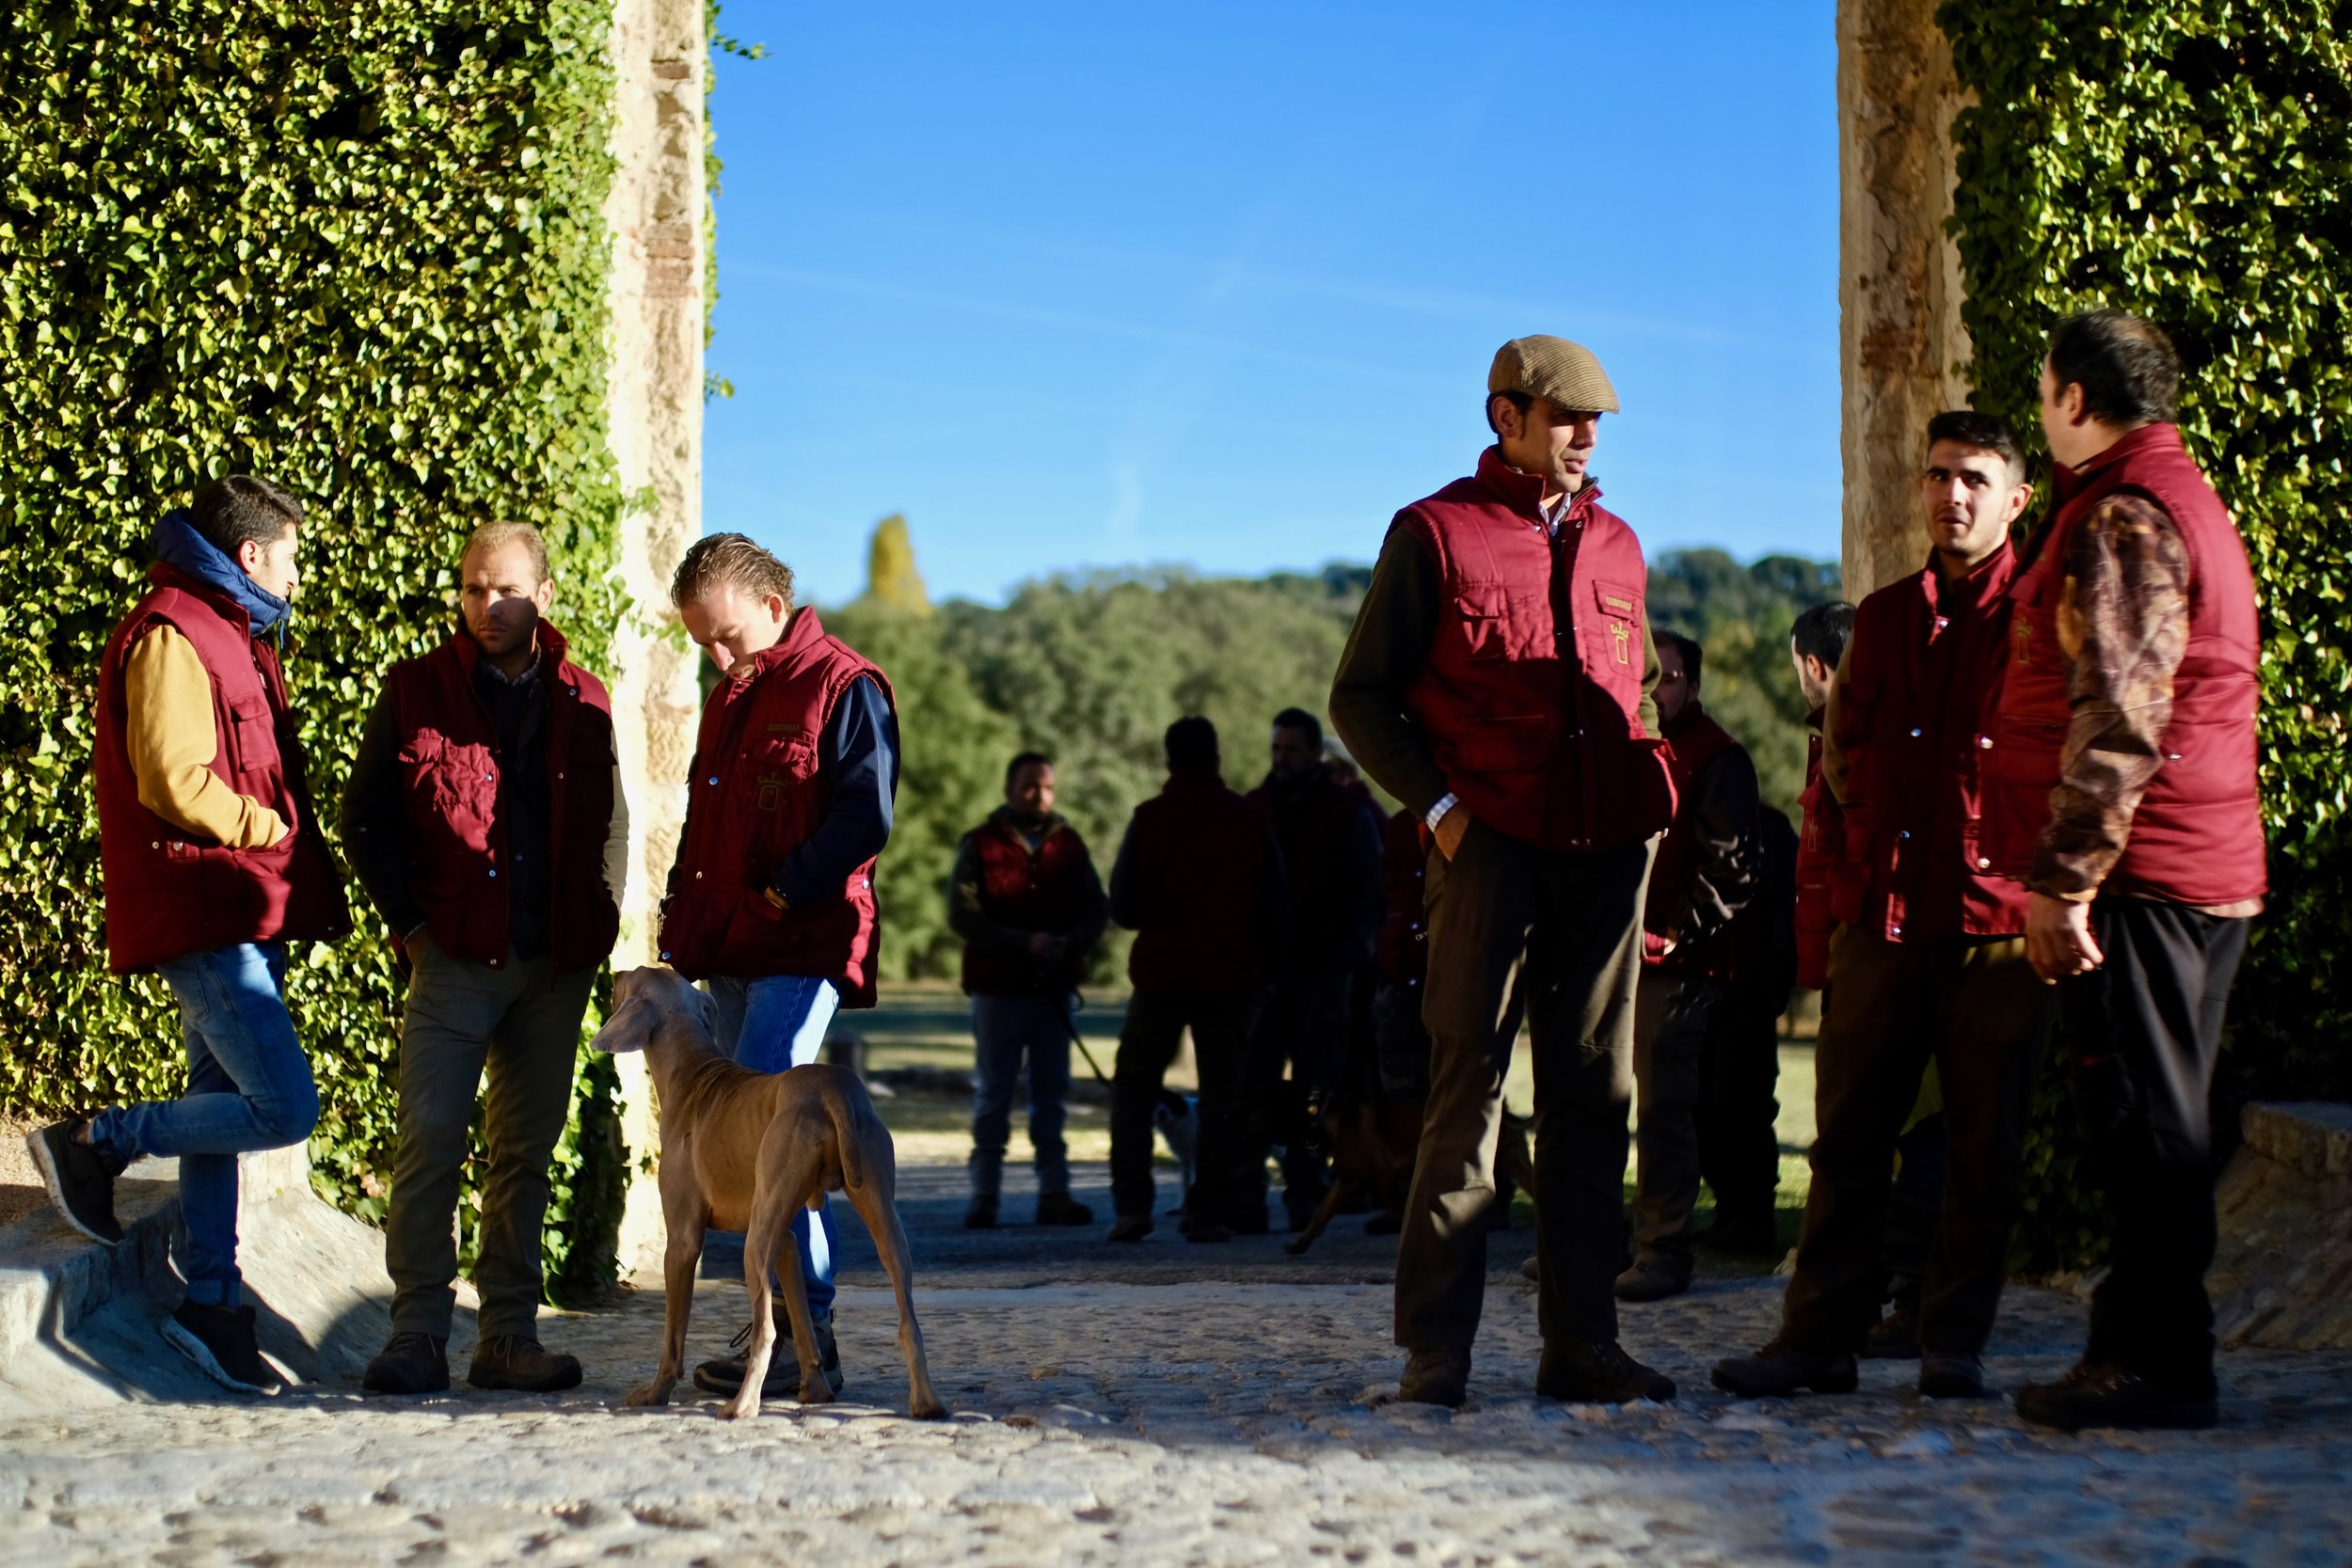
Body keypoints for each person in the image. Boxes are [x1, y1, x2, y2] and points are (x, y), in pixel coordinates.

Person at [1329, 335, 1677, 1407]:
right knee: (1466, 1095)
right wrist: (1440, 815)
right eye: (1564, 416)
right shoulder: (1434, 532)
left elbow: (1645, 691)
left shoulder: (1619, 546)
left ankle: (1585, 1347)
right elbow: (1361, 697)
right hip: (1486, 852)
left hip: (1605, 860)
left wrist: (1653, 804)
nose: (1583, 436)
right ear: (1504, 416)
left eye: (1595, 423)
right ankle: (1437, 1353)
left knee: (1593, 1100)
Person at [1714, 410, 2051, 1403]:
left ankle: (1951, 1340)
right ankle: (1816, 1339)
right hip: (1884, 918)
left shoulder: (2043, 613)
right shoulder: (1887, 614)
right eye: (1939, 475)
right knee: (1845, 1141)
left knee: (1982, 1147)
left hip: (1994, 925)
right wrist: (1859, 862)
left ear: (2014, 497)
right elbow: (1846, 753)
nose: (1953, 495)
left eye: (1975, 479)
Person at [1991, 311, 2265, 1433]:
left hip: (2143, 869)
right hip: (2188, 857)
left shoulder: (2121, 513)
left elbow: (2121, 710)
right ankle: (2131, 1347)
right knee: (2152, 1110)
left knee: (2146, 1121)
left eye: (2044, 388)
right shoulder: (2178, 495)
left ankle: (2163, 1363)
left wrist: (2064, 879)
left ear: (2069, 397)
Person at [29, 477, 348, 1393]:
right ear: (251, 555)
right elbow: (171, 776)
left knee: (221, 1103)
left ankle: (211, 1298)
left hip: (240, 904)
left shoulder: (232, 630)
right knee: (285, 1106)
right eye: (289, 552)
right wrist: (264, 829)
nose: (296, 570)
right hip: (208, 906)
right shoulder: (175, 628)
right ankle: (99, 1139)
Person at [341, 522, 629, 1396]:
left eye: (505, 589)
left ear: (544, 594)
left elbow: (613, 824)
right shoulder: (416, 688)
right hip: (455, 959)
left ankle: (506, 1338)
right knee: (428, 1138)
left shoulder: (588, 697)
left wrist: (601, 920)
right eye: (472, 588)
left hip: (555, 966)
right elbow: (366, 820)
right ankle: (418, 1334)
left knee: (525, 1152)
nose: (487, 605)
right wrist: (413, 930)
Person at [656, 532, 899, 1402]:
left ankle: (807, 1330)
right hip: (726, 948)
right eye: (702, 645)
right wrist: (682, 920)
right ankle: (787, 1330)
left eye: (728, 637)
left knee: (776, 1139)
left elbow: (865, 817)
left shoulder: (846, 685)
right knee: (749, 1146)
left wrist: (787, 892)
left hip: (800, 945)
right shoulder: (730, 698)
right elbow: (704, 828)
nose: (719, 659)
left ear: (771, 604)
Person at [1790, 598, 1942, 1354]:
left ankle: (1915, 1300)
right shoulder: (1832, 741)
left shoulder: (1867, 739)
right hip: (1859, 951)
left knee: (1912, 1136)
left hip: (1889, 946)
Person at [1104, 718, 1287, 1243]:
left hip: (1161, 975)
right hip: (1231, 979)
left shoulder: (1150, 818)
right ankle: (1208, 1211)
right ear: (1217, 758)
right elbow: (1276, 907)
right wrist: (1265, 974)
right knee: (1222, 1098)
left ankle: (1132, 1206)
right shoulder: (1250, 821)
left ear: (1169, 759)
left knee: (1134, 1091)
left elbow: (1123, 907)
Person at [1618, 632, 1761, 1302]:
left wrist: (1678, 931)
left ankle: (1663, 1249)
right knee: (1595, 1100)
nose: (1656, 689)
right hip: (1616, 959)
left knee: (1664, 1107)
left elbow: (1732, 864)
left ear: (1693, 686)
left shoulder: (1719, 758)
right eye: (1649, 676)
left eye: (1669, 678)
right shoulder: (1630, 750)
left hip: (1680, 963)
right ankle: (1592, 1243)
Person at [948, 751, 1109, 1229]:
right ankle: (985, 1195)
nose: (1038, 795)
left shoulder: (1070, 846)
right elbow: (963, 915)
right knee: (994, 1095)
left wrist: (1069, 944)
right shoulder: (979, 844)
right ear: (1009, 790)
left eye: (1046, 787)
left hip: (1052, 992)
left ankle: (1055, 1193)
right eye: (1029, 786)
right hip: (998, 991)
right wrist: (1023, 944)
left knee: (1051, 1096)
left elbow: (1096, 908)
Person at [1242, 708, 1382, 1231]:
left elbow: (1369, 890)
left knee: (1314, 1088)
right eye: (1276, 750)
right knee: (1254, 1080)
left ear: (1313, 754)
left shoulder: (1347, 812)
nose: (1282, 760)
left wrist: (1349, 954)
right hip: (1268, 972)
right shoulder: (1255, 809)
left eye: (1292, 750)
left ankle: (1305, 1189)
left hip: (1325, 971)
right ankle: (1246, 1192)